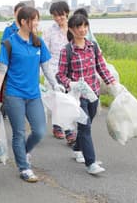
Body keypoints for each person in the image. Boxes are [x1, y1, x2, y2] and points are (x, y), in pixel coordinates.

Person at [0, 6, 61, 183]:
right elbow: (1, 69)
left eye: (37, 19)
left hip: (34, 94)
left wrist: (55, 84)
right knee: (19, 133)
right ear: (23, 21)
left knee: (39, 131)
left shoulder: (38, 42)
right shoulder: (9, 43)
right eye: (34, 19)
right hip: (14, 94)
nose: (37, 23)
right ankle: (24, 167)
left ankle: (24, 152)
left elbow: (46, 66)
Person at [56, 14, 117, 175]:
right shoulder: (67, 50)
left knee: (86, 124)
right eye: (78, 27)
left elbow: (101, 67)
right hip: (78, 96)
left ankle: (77, 149)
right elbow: (60, 75)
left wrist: (112, 84)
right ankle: (91, 163)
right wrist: (71, 84)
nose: (82, 30)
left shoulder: (93, 47)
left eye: (85, 26)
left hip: (94, 93)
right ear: (71, 29)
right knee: (85, 126)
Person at [42, 1, 76, 144]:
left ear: (66, 13)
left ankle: (60, 126)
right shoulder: (49, 32)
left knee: (70, 101)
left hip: (72, 71)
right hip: (54, 70)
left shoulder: (74, 28)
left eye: (60, 15)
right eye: (54, 16)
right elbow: (44, 54)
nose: (58, 18)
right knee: (60, 101)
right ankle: (68, 131)